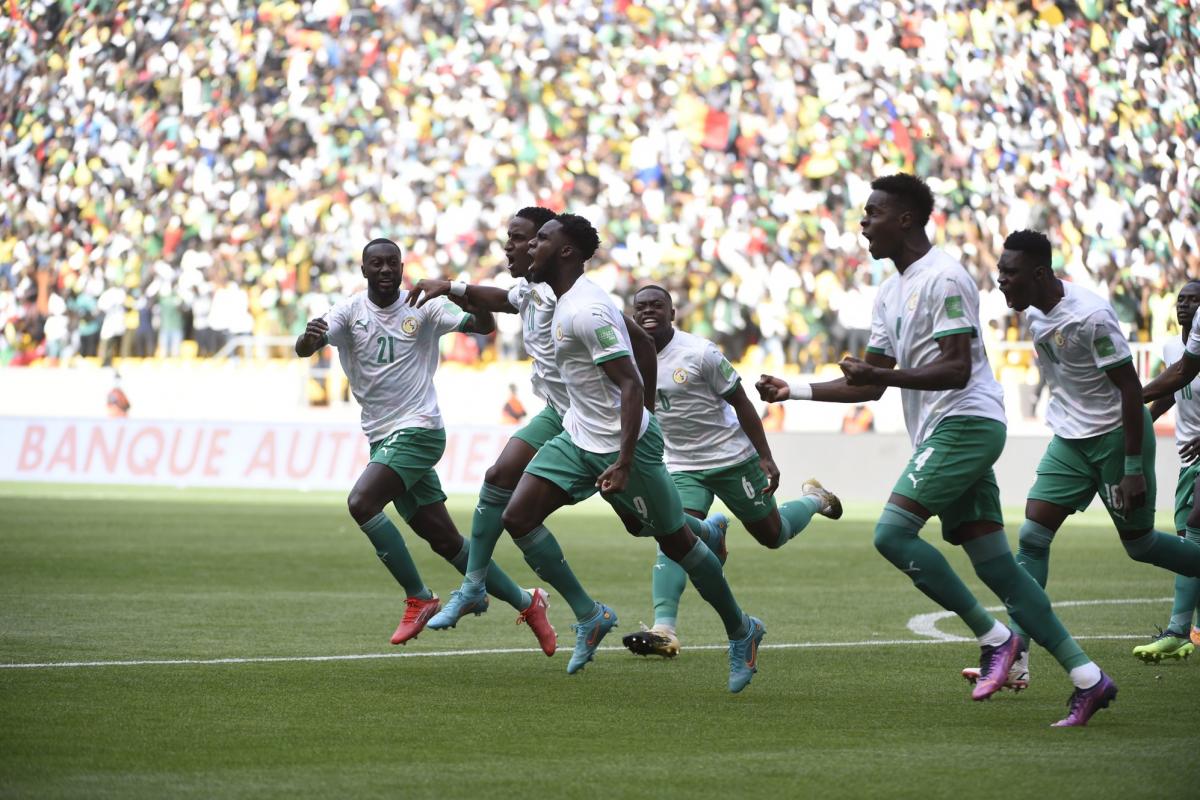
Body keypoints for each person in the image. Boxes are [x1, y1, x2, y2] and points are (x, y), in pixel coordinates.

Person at [758, 176, 1112, 727]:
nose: (863, 223)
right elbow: (870, 385)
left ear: (905, 219)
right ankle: (1089, 678)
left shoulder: (945, 277)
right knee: (1000, 568)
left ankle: (996, 640)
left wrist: (885, 373)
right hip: (945, 430)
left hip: (966, 422)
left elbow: (954, 369)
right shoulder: (889, 291)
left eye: (872, 212)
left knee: (891, 533)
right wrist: (795, 390)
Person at [496, 213, 763, 691]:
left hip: (625, 450)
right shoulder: (561, 300)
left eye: (540, 240)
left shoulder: (586, 311)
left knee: (674, 542)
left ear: (566, 253)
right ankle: (591, 614)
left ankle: (742, 630)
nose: (528, 247)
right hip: (579, 438)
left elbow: (628, 381)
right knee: (517, 516)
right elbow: (641, 342)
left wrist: (625, 457)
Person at [403, 207, 658, 646]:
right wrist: (451, 286)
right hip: (558, 412)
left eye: (520, 238)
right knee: (499, 478)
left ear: (548, 245)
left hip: (590, 421)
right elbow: (503, 300)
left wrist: (647, 413)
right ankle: (473, 585)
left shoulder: (581, 300)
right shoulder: (533, 288)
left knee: (646, 525)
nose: (510, 246)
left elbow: (644, 347)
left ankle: (702, 530)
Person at [294, 238, 555, 652]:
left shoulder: (424, 304)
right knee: (447, 542)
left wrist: (470, 299)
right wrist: (309, 340)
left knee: (362, 503)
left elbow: (484, 326)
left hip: (419, 430)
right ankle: (529, 602)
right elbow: (305, 346)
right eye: (376, 264)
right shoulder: (347, 311)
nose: (385, 270)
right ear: (364, 270)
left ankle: (419, 597)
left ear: (402, 267)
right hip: (382, 436)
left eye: (392, 263)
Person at [994, 231, 1200, 673]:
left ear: (1039, 273)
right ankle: (1016, 654)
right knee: (1032, 535)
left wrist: (1131, 468)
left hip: (1115, 438)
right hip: (1070, 440)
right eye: (1000, 272)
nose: (1001, 281)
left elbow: (1129, 390)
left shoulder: (1091, 315)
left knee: (1140, 545)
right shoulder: (1033, 316)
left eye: (1009, 274)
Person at [620, 284, 841, 658]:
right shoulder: (627, 357)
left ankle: (814, 498)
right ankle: (664, 628)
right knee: (671, 533)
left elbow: (740, 401)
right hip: (681, 464)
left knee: (772, 535)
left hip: (731, 457)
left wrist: (765, 456)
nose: (648, 312)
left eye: (657, 305)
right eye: (640, 307)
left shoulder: (700, 353)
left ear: (673, 313)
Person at [1137, 279, 1200, 661]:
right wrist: (1135, 423)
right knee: (1187, 544)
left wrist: (1128, 394)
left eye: (1195, 299)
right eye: (1182, 299)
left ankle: (1178, 629)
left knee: (1196, 526)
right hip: (1187, 458)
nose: (1186, 305)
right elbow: (1171, 394)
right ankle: (1193, 630)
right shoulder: (1172, 348)